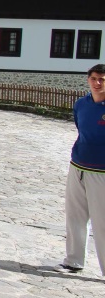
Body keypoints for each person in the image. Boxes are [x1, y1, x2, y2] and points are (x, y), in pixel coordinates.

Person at [59, 63, 105, 275]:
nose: (97, 83)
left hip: (101, 172)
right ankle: (74, 260)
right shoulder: (81, 104)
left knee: (101, 221)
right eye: (94, 78)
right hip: (78, 165)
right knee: (75, 215)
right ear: (88, 79)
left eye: (102, 80)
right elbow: (81, 129)